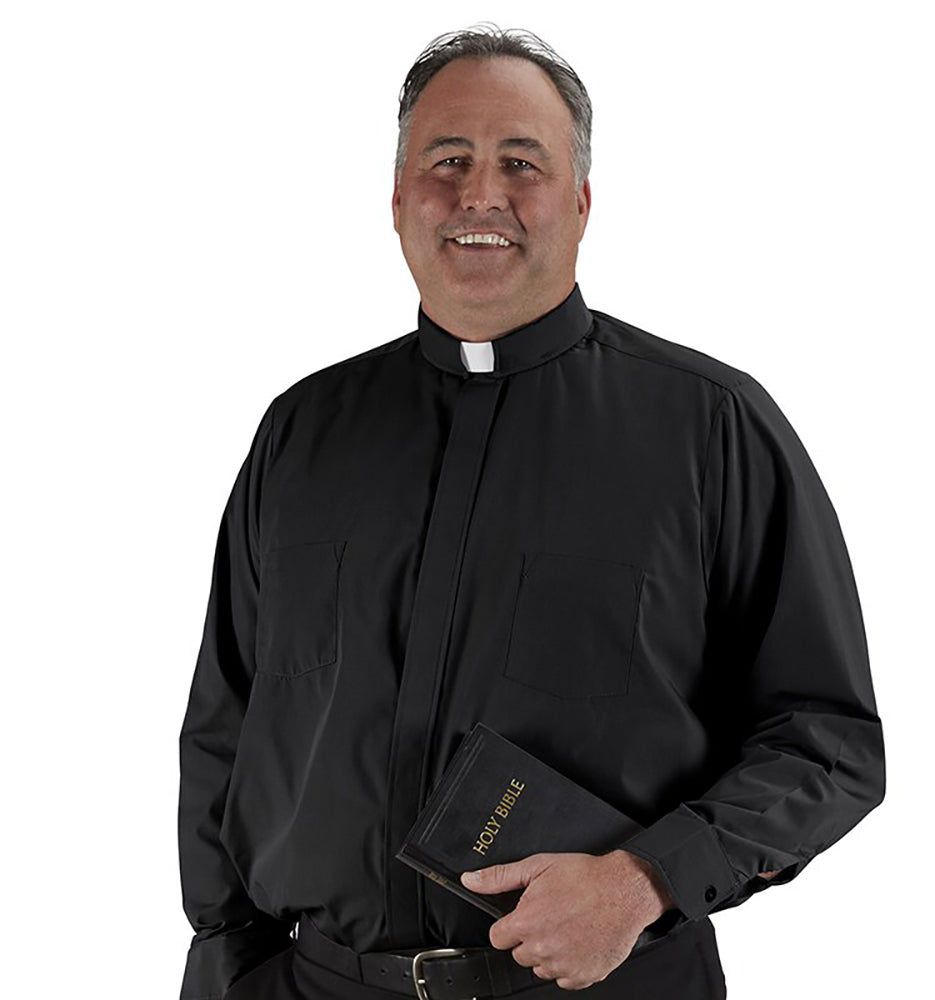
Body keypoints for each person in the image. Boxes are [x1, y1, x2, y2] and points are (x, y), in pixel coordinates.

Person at [177, 23, 886, 1000]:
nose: (480, 194)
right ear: (397, 198)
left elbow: (828, 741)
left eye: (521, 162)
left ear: (581, 201)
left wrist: (648, 879)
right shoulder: (302, 431)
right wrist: (224, 967)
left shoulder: (711, 427)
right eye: (448, 160)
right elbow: (226, 724)